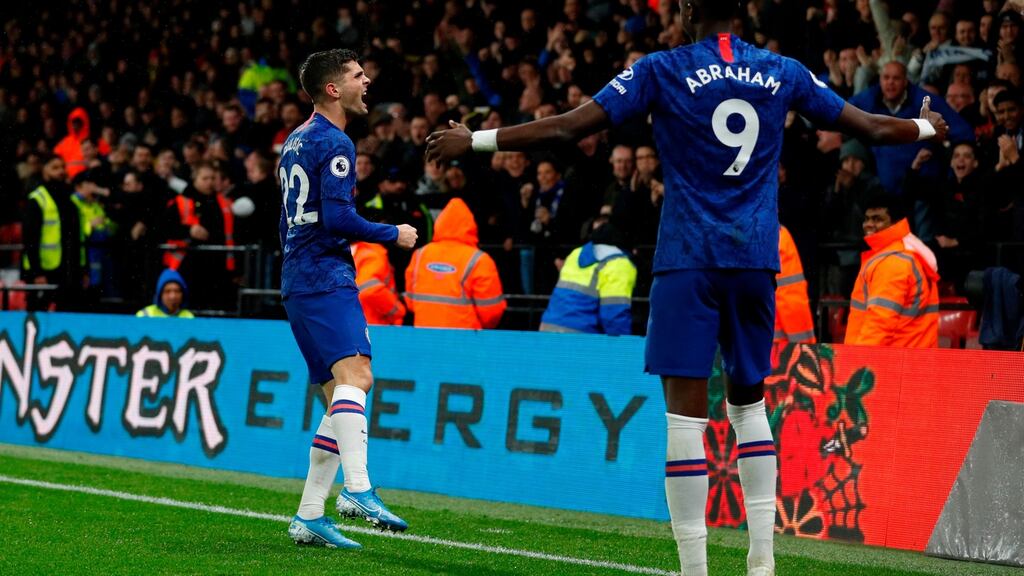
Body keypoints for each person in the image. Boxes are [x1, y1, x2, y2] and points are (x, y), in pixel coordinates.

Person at [426, 1, 948, 574]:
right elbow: (870, 127)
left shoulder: (661, 68)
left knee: (685, 421)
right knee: (750, 409)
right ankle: (762, 564)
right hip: (754, 258)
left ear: (684, 10)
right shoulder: (784, 71)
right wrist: (927, 126)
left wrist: (475, 140)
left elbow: (571, 125)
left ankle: (695, 570)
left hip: (689, 259)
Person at [279, 48, 417, 550]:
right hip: (325, 276)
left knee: (339, 401)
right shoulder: (334, 142)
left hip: (297, 278)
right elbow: (337, 219)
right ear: (334, 89)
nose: (368, 82)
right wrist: (392, 232)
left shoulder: (295, 140)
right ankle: (358, 490)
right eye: (359, 76)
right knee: (358, 377)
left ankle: (309, 514)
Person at [845, 194, 939, 348]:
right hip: (910, 358)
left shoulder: (892, 262)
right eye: (867, 218)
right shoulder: (908, 252)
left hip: (893, 363)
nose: (868, 224)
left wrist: (858, 365)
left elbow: (879, 324)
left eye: (877, 219)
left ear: (895, 222)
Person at [404, 198, 506, 329]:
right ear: (470, 225)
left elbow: (410, 301)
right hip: (465, 340)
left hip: (425, 336)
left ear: (440, 223)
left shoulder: (420, 254)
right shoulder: (479, 259)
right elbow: (491, 311)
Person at [539, 221, 637, 335]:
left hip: (548, 328)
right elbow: (613, 314)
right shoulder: (619, 263)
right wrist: (623, 347)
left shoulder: (576, 253)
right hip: (581, 337)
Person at [21, 155, 85, 311]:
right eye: (55, 168)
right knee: (37, 314)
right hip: (44, 271)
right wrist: (37, 273)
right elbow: (30, 240)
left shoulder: (70, 199)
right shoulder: (37, 199)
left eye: (63, 167)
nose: (61, 171)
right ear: (45, 170)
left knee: (67, 313)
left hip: (68, 270)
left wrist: (83, 269)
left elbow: (79, 239)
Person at [774, 226, 816, 344]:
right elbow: (790, 300)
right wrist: (806, 347)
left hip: (730, 345)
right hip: (772, 348)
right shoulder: (778, 236)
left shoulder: (722, 233)